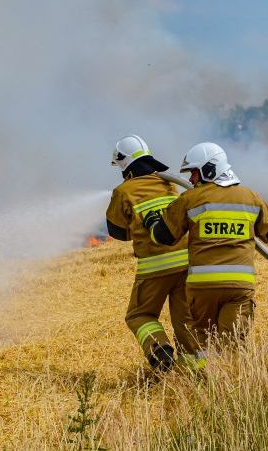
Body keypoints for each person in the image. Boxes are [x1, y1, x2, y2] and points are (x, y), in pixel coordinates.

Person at [144, 142, 268, 368]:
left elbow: (163, 237)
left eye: (194, 173)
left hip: (202, 289)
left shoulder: (190, 200)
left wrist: (152, 222)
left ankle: (204, 384)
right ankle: (229, 387)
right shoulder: (250, 197)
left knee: (204, 345)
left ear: (209, 170)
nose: (190, 180)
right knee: (232, 345)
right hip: (238, 288)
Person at [105, 135, 194, 372]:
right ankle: (194, 371)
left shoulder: (123, 191)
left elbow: (118, 232)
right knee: (185, 321)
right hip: (187, 264)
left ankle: (160, 350)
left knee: (139, 315)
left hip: (154, 267)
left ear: (123, 163)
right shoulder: (169, 184)